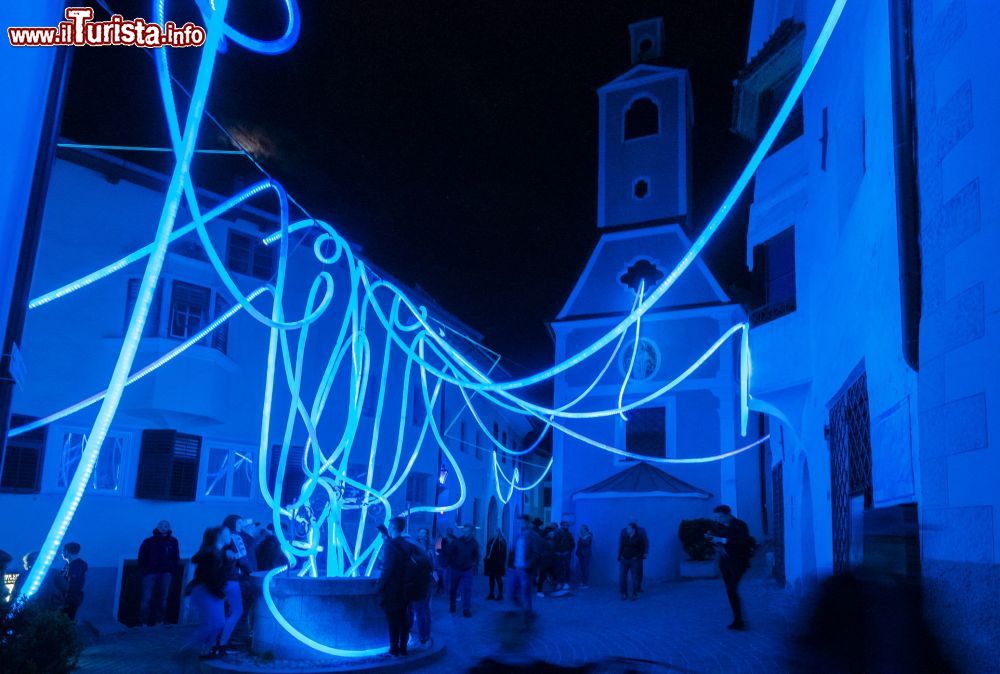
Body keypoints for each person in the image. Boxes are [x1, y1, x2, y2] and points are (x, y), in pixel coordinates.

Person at [183, 527, 229, 660]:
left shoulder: (216, 553)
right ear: (219, 536)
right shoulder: (212, 555)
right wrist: (219, 592)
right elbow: (210, 577)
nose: (230, 535)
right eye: (226, 533)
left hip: (212, 590)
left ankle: (206, 649)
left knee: (216, 623)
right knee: (215, 623)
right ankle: (190, 648)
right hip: (207, 591)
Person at [708, 504, 753, 630]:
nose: (719, 519)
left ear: (728, 514)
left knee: (732, 589)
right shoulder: (718, 526)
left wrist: (721, 539)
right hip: (725, 562)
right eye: (717, 517)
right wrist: (713, 541)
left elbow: (742, 542)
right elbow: (712, 538)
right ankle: (737, 620)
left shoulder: (740, 525)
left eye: (721, 517)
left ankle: (739, 621)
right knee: (730, 590)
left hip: (739, 562)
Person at [377, 517, 417, 657]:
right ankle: (403, 648)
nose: (388, 527)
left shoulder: (390, 545)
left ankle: (394, 649)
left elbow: (388, 568)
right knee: (403, 619)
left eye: (389, 525)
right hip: (405, 587)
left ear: (393, 527)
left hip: (392, 588)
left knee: (392, 620)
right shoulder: (407, 544)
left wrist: (380, 586)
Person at [138, 520, 180, 626]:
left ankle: (159, 622)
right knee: (146, 598)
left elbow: (176, 557)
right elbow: (141, 557)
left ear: (169, 528)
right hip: (150, 573)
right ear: (157, 527)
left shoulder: (173, 541)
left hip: (166, 573)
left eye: (166, 525)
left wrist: (171, 569)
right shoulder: (148, 541)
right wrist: (146, 570)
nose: (163, 527)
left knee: (163, 598)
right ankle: (143, 623)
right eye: (161, 525)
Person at [219, 515, 249, 653]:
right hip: (231, 577)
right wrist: (250, 572)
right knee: (237, 611)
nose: (241, 525)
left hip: (221, 578)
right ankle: (222, 644)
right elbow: (243, 555)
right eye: (239, 522)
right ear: (232, 523)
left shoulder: (221, 535)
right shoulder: (235, 536)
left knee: (225, 611)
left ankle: (217, 643)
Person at [508, 515, 542, 617]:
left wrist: (528, 565)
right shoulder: (519, 535)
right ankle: (524, 609)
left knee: (526, 594)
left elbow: (537, 553)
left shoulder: (533, 536)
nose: (520, 523)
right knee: (512, 594)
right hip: (516, 568)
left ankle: (528, 613)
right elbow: (514, 551)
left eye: (522, 521)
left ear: (527, 523)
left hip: (525, 570)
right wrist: (510, 563)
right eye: (519, 521)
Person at [444, 524, 479, 617]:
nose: (466, 533)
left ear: (471, 532)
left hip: (467, 569)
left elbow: (476, 555)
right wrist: (448, 563)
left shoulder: (474, 543)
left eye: (468, 531)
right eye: (464, 531)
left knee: (467, 589)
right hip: (455, 569)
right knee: (453, 588)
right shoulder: (457, 542)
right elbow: (449, 553)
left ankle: (466, 609)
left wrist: (474, 564)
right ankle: (452, 605)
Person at [409, 528, 435, 645]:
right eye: (420, 533)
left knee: (422, 610)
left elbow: (432, 565)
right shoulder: (416, 550)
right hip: (423, 581)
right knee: (422, 609)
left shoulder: (427, 551)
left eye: (424, 533)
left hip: (423, 582)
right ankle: (424, 635)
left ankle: (423, 635)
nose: (421, 535)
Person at [618, 521, 647, 600]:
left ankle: (635, 593)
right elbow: (621, 546)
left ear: (633, 529)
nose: (627, 529)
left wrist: (637, 557)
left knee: (635, 577)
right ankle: (624, 593)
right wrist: (619, 556)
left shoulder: (639, 538)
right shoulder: (625, 536)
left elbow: (642, 549)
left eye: (629, 528)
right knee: (622, 577)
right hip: (624, 559)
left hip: (634, 560)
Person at [60, 542, 88, 620]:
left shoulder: (77, 566)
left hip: (71, 599)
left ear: (67, 552)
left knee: (67, 620)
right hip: (68, 598)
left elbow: (73, 585)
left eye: (62, 551)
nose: (61, 554)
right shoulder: (69, 564)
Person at [484, 530, 506, 600]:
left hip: (498, 564)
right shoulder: (491, 541)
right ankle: (491, 593)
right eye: (495, 532)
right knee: (491, 579)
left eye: (497, 532)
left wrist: (501, 563)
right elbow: (488, 550)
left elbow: (503, 554)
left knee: (498, 579)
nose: (495, 534)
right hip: (491, 563)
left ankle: (500, 594)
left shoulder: (501, 542)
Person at [555, 521, 575, 590]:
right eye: (565, 525)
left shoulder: (569, 534)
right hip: (558, 554)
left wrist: (568, 551)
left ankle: (566, 583)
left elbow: (572, 544)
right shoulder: (556, 533)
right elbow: (554, 543)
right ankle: (558, 583)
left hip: (566, 554)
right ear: (562, 525)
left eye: (567, 525)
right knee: (558, 569)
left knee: (566, 568)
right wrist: (556, 552)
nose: (567, 527)